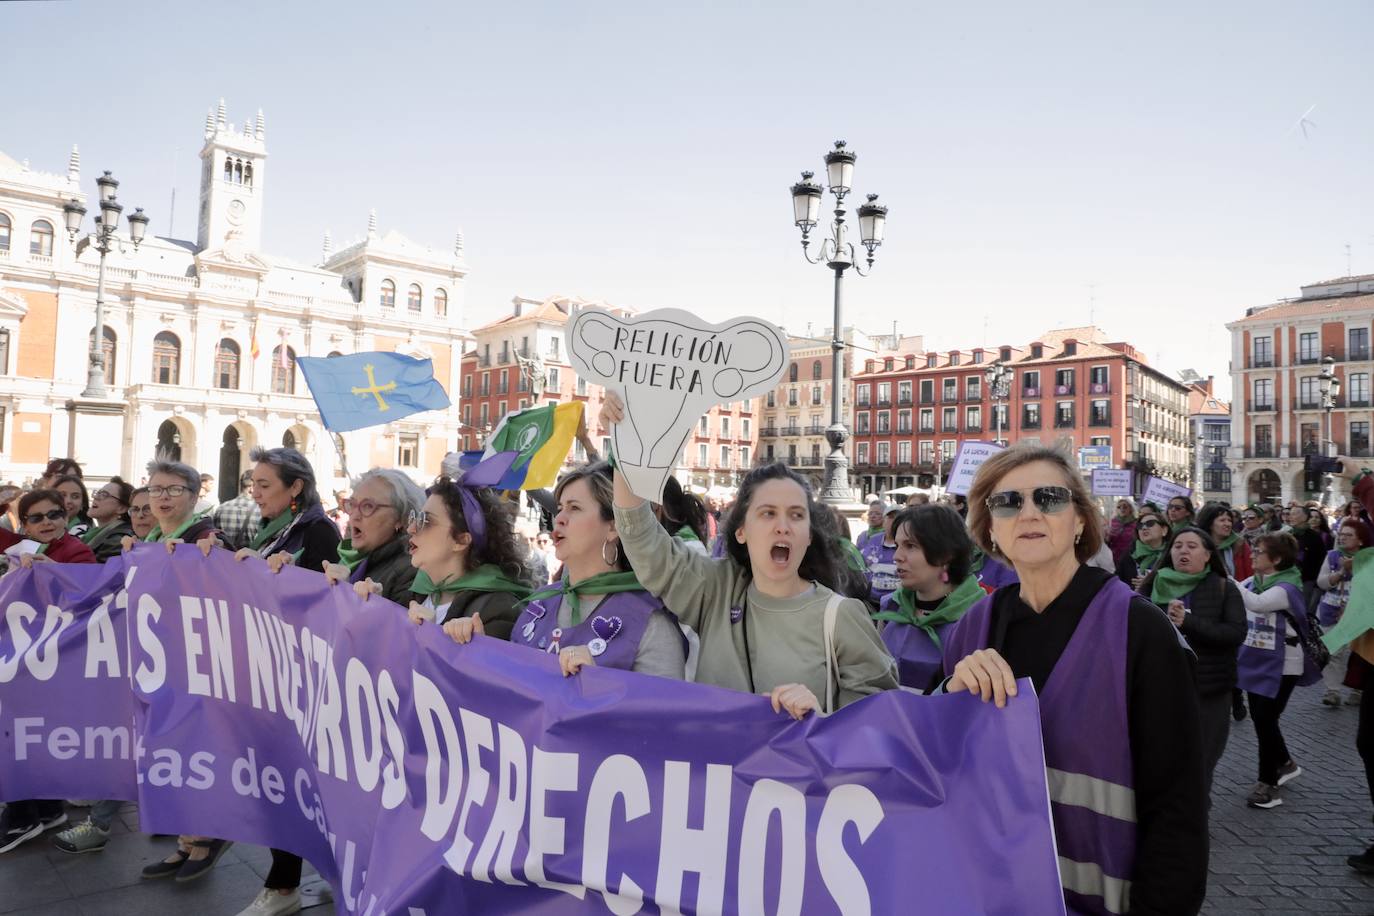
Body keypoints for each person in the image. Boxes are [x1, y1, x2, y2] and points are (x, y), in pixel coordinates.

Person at [941, 444, 1207, 916]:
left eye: (1049, 498)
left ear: (1081, 520)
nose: (1029, 513)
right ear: (990, 530)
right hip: (987, 894)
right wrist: (948, 695)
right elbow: (930, 760)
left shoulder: (1139, 631)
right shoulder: (970, 629)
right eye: (1008, 502)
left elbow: (1178, 806)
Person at [602, 393, 896, 716]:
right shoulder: (715, 590)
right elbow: (643, 541)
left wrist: (820, 719)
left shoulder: (842, 617)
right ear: (741, 531)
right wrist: (625, 444)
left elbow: (878, 724)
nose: (783, 526)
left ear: (809, 535)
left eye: (796, 515)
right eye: (768, 514)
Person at [448, 462, 689, 681]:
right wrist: (480, 648)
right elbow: (510, 693)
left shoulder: (650, 622)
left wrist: (603, 683)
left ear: (614, 527)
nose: (559, 518)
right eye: (561, 507)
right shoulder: (539, 605)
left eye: (574, 508)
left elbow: (663, 718)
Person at [230, 447, 340, 916]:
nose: (254, 493)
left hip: (303, 677)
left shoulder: (318, 531)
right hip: (270, 671)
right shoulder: (271, 529)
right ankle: (290, 878)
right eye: (252, 484)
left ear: (295, 488)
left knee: (297, 781)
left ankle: (284, 885)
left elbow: (325, 598)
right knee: (279, 781)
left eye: (264, 485)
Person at [0, 489, 99, 854]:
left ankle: (23, 816)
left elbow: (87, 593)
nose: (47, 523)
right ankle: (46, 808)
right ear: (23, 524)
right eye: (36, 518)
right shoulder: (19, 549)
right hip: (27, 656)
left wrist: (52, 573)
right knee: (27, 733)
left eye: (54, 514)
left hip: (56, 658)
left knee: (22, 734)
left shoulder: (75, 550)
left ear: (67, 517)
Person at [1140, 526, 1245, 798]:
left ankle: (1195, 816)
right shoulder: (1153, 584)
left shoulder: (1224, 587)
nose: (1183, 551)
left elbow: (1235, 633)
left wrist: (1189, 622)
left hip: (1208, 689)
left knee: (1202, 759)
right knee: (1164, 757)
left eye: (1191, 546)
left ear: (1208, 555)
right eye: (1177, 546)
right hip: (1162, 686)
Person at [1235, 532, 1323, 809]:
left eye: (1258, 552)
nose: (1252, 555)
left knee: (1264, 719)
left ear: (1276, 559)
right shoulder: (1254, 582)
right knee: (1264, 721)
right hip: (1256, 661)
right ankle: (1285, 763)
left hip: (1284, 664)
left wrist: (1225, 579)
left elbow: (1256, 604)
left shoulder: (1287, 587)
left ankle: (1268, 785)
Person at [402, 475, 533, 642]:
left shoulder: (498, 608)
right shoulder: (414, 590)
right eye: (415, 518)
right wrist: (371, 604)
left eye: (425, 521)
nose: (411, 528)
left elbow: (488, 667)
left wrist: (435, 638)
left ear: (461, 540)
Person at [872, 504, 984, 691]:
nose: (897, 556)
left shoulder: (980, 617)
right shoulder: (891, 607)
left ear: (946, 554)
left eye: (910, 546)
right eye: (898, 545)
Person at [320, 468, 425, 605]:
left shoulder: (410, 572)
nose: (354, 516)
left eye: (368, 506)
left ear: (401, 518)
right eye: (352, 504)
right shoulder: (362, 559)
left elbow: (395, 626)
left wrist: (345, 594)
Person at [1315, 517, 1371, 706]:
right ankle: (1333, 690)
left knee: (1361, 654)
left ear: (1361, 540)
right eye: (1341, 534)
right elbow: (1321, 583)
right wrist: (1340, 572)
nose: (1342, 538)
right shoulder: (1331, 555)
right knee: (1331, 651)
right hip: (1332, 611)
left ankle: (1359, 689)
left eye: (1348, 535)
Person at [125, 460, 220, 549]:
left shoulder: (207, 540)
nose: (164, 496)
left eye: (175, 489)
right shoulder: (151, 539)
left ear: (193, 498)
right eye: (156, 490)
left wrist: (215, 552)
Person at [1282, 502, 1327, 609]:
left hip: (1307, 581)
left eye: (1295, 514)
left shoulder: (1314, 537)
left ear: (1305, 517)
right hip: (1288, 579)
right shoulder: (1287, 535)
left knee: (1304, 610)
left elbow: (1321, 560)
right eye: (1290, 514)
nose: (1290, 516)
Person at [81, 477, 135, 562]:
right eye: (98, 493)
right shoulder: (93, 533)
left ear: (121, 508)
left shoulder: (118, 539)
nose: (96, 497)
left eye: (104, 495)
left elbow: (94, 572)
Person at [1198, 502, 1252, 580]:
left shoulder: (1239, 544)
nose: (1227, 524)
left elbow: (1250, 573)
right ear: (1210, 523)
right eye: (1222, 520)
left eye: (1229, 520)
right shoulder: (1199, 545)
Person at [1116, 508, 1167, 589]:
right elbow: (1118, 584)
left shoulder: (1172, 554)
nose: (1144, 528)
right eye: (1140, 525)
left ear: (1164, 530)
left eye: (1150, 523)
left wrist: (1153, 585)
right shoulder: (1129, 555)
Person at [212, 470, 261, 550]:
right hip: (250, 560)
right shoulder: (260, 511)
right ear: (251, 488)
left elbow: (214, 537)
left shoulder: (221, 508)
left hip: (225, 559)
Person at [1105, 498, 1137, 565]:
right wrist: (1107, 538)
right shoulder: (1112, 522)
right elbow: (1107, 541)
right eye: (1119, 507)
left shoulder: (1136, 523)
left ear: (1130, 509)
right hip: (1114, 558)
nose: (1122, 509)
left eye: (1125, 506)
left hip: (1130, 558)